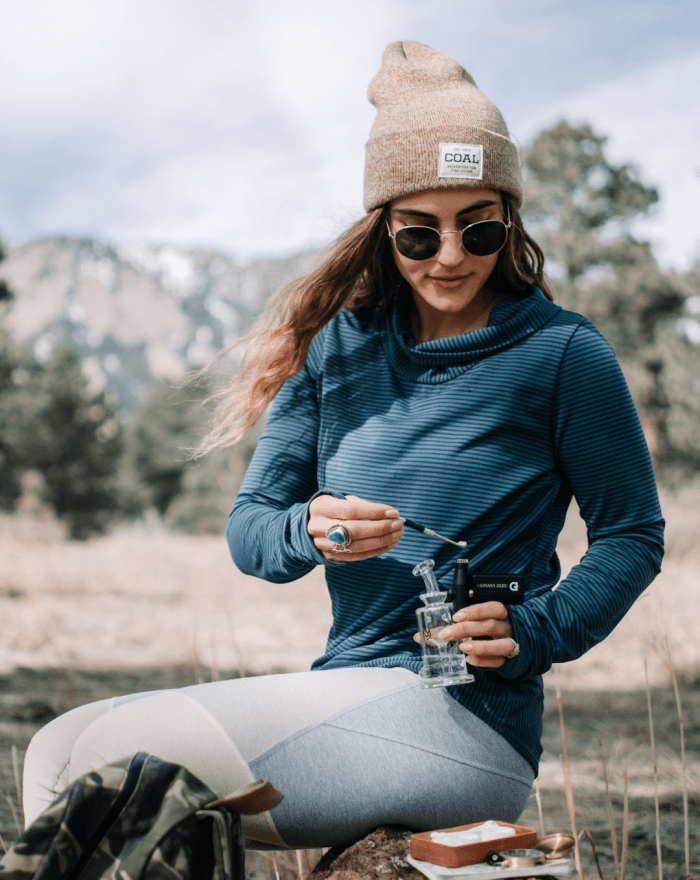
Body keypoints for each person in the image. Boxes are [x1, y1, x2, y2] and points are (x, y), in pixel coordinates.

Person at [22, 41, 664, 851]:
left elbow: (633, 534)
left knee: (118, 755)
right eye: (420, 236)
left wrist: (539, 629)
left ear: (510, 219)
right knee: (54, 750)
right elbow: (251, 530)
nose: (452, 256)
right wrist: (313, 529)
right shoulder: (338, 348)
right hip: (346, 696)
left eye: (479, 228)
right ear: (384, 230)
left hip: (468, 724)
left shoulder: (564, 354)